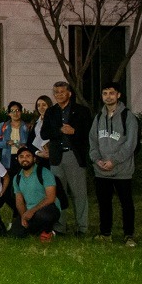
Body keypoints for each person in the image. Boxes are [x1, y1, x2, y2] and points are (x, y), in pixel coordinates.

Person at [89, 82, 140, 246]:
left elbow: (130, 144)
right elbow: (92, 142)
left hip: (122, 169)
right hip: (101, 170)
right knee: (104, 203)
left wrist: (114, 161)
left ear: (118, 95)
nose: (108, 96)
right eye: (105, 93)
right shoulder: (98, 117)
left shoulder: (128, 117)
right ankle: (105, 233)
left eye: (111, 93)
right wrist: (97, 160)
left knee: (126, 203)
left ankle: (129, 235)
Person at [42, 80, 93, 236]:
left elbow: (89, 133)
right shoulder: (51, 112)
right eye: (56, 93)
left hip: (74, 155)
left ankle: (82, 228)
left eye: (62, 92)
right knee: (58, 194)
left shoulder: (82, 111)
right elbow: (44, 133)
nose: (58, 95)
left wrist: (74, 131)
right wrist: (60, 131)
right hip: (57, 157)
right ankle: (59, 227)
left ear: (69, 93)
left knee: (79, 193)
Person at [11, 147, 61, 243]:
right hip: (30, 211)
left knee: (42, 216)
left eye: (28, 156)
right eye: (21, 157)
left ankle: (48, 231)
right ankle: (40, 231)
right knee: (16, 234)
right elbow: (19, 201)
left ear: (34, 158)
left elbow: (51, 198)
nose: (24, 159)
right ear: (18, 160)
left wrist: (31, 211)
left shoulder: (44, 172)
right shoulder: (17, 178)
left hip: (48, 208)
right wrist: (23, 216)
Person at [28, 95, 53, 165]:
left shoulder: (55, 121)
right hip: (39, 159)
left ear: (49, 106)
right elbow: (30, 142)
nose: (41, 108)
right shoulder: (35, 123)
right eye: (38, 105)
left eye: (44, 105)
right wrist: (38, 153)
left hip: (53, 159)